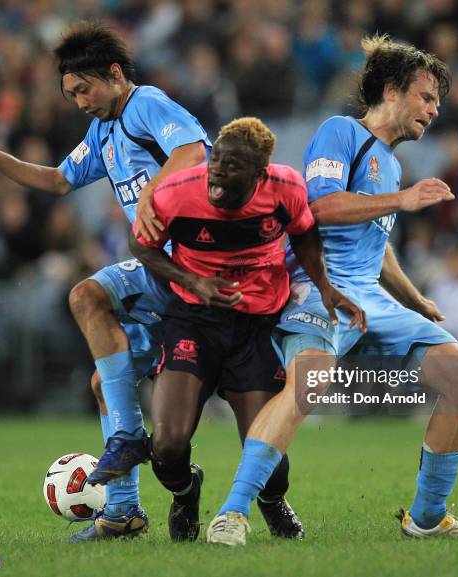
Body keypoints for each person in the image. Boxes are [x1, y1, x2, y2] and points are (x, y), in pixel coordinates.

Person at [206, 34, 458, 546]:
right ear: (391, 91)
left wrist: (414, 298)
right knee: (310, 383)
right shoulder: (341, 132)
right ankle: (231, 514)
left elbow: (376, 246)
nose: (435, 108)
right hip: (319, 288)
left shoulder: (393, 165)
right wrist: (402, 201)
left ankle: (427, 518)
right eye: (426, 97)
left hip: (373, 299)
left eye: (438, 101)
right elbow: (321, 208)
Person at [0, 21, 210, 542]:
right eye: (70, 94)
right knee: (103, 379)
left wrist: (151, 194)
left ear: (114, 75)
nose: (78, 102)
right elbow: (56, 179)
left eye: (83, 89)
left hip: (195, 270)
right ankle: (123, 511)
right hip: (162, 275)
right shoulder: (102, 131)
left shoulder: (146, 105)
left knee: (88, 295)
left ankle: (249, 496)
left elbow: (194, 154)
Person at [132, 117, 366, 542]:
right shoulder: (176, 192)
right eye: (216, 159)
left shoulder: (287, 189)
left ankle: (272, 501)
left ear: (260, 175)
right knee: (166, 445)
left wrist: (326, 287)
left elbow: (304, 236)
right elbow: (142, 245)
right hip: (194, 320)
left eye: (233, 165)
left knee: (271, 460)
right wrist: (192, 281)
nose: (217, 170)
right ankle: (186, 493)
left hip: (256, 325)